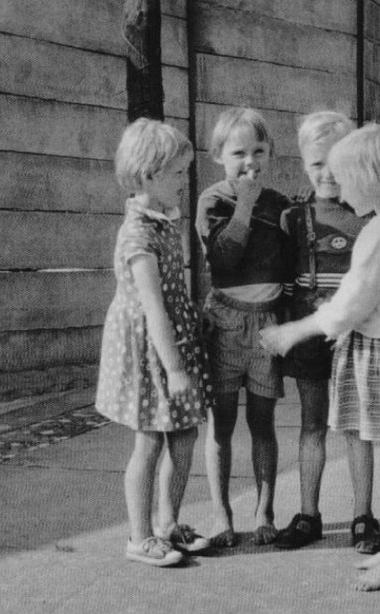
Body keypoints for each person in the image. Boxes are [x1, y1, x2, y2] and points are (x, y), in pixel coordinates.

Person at [260, 123, 380, 591]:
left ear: (370, 179)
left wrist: (294, 331)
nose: (339, 187)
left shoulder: (379, 231)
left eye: (345, 177)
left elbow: (351, 305)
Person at [96, 118, 212, 567]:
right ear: (149, 175)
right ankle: (139, 535)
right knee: (149, 442)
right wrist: (177, 368)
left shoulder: (164, 221)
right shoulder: (138, 234)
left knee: (183, 437)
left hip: (174, 342)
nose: (185, 181)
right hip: (149, 351)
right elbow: (153, 308)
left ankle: (168, 525)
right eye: (178, 174)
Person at [271, 112, 380, 555]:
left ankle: (363, 516)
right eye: (317, 164)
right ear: (303, 164)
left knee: (356, 427)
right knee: (312, 424)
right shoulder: (294, 218)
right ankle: (307, 514)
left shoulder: (369, 215)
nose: (328, 173)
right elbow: (281, 280)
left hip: (355, 336)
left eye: (336, 162)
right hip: (311, 337)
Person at [195, 106, 292, 547]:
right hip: (227, 322)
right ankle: (221, 511)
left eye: (259, 150)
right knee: (221, 423)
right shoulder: (213, 200)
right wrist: (246, 206)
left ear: (271, 153)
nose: (249, 161)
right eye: (238, 152)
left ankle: (265, 508)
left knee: (263, 421)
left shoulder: (280, 205)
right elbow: (223, 258)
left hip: (267, 323)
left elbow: (290, 264)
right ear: (218, 155)